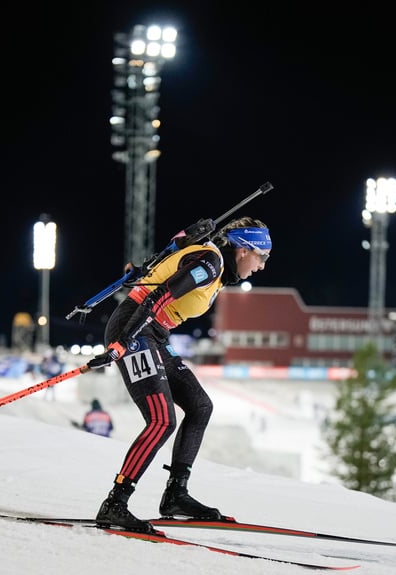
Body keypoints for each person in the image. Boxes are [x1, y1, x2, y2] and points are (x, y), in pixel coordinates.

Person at [86, 216, 272, 532]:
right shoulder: (211, 262)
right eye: (262, 257)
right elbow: (158, 298)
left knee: (200, 406)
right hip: (136, 327)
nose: (262, 266)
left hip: (154, 333)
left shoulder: (216, 266)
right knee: (162, 420)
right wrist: (124, 341)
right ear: (243, 250)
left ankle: (176, 494)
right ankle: (115, 503)